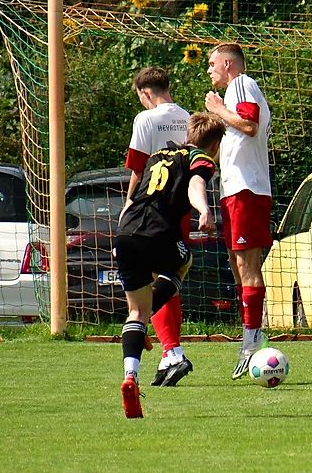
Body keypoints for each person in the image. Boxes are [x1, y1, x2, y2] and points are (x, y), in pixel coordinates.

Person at [117, 111, 225, 418]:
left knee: (135, 313)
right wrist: (204, 210)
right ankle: (145, 323)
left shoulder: (157, 155)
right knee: (183, 260)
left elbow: (135, 194)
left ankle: (130, 377)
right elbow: (195, 185)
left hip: (126, 232)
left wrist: (120, 235)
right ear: (215, 145)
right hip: (158, 232)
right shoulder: (200, 158)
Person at [204, 43, 273, 379]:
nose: (209, 70)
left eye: (212, 63)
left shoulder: (241, 84)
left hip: (248, 190)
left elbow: (249, 124)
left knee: (247, 265)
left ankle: (252, 338)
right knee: (236, 263)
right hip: (234, 190)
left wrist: (217, 108)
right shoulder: (233, 92)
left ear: (228, 64)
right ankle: (252, 329)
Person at [124, 66, 193, 387]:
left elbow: (138, 169)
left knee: (153, 278)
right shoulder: (188, 118)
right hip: (181, 207)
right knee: (170, 276)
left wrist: (129, 205)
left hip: (151, 210)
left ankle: (172, 352)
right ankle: (171, 352)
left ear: (145, 92)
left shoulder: (146, 119)